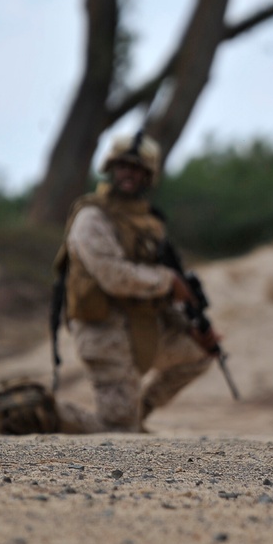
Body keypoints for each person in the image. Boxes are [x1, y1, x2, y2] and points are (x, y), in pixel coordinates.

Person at [50, 132, 218, 433]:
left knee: (201, 353)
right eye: (124, 166)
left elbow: (159, 286)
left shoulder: (149, 223)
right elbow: (114, 276)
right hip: (103, 331)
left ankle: (136, 416)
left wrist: (190, 325)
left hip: (141, 327)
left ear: (148, 176)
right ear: (112, 168)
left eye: (138, 169)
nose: (129, 174)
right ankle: (34, 415)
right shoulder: (91, 217)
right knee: (117, 430)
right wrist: (168, 281)